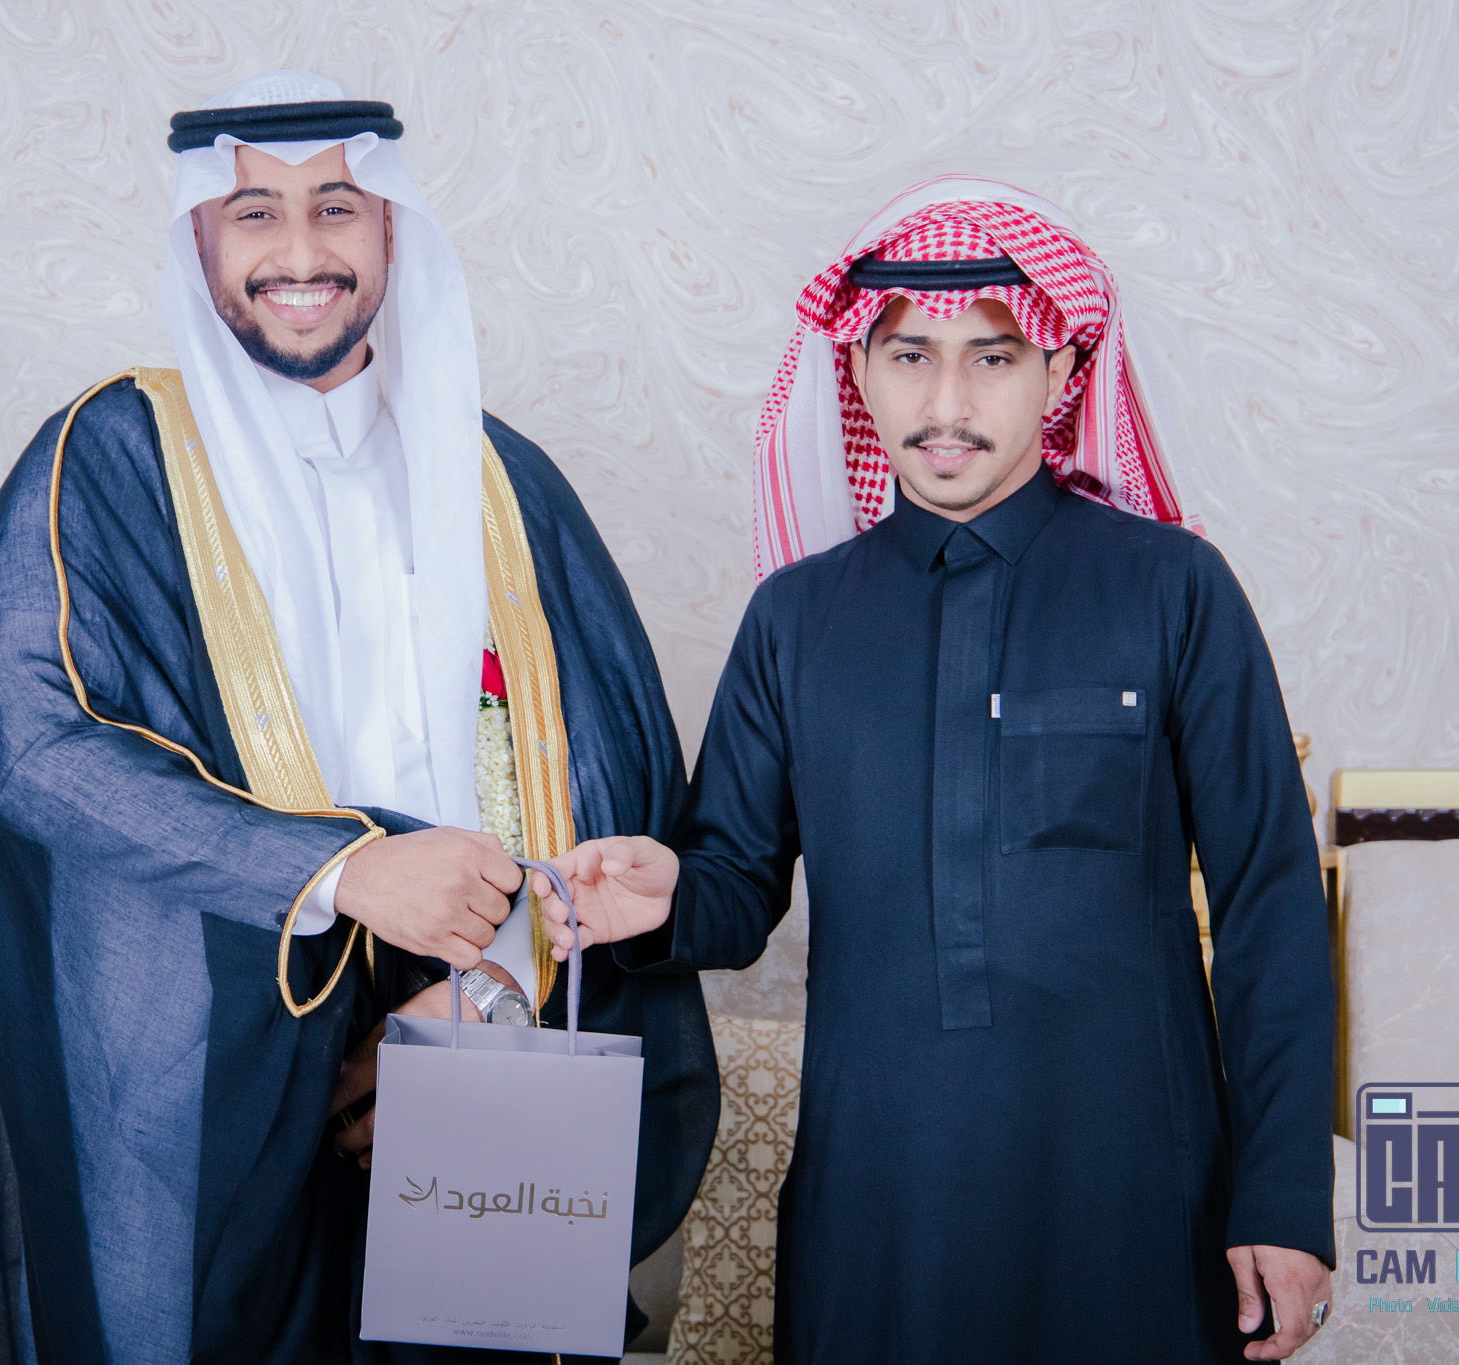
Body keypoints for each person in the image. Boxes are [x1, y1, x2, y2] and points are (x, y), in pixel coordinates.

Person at [0, 70, 715, 1365]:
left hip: (474, 1067)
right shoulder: (109, 462)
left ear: (392, 228)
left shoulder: (501, 481)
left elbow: (608, 780)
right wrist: (348, 873)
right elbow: (45, 754)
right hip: (211, 1081)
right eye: (255, 213)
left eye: (337, 209)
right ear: (200, 237)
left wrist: (487, 997)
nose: (299, 254)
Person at [537, 177, 1336, 1363]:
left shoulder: (1174, 589)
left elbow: (1269, 902)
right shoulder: (795, 620)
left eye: (992, 359)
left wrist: (1281, 1199)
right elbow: (734, 887)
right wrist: (662, 899)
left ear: (1059, 373)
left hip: (1134, 1196)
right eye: (909, 357)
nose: (946, 404)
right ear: (858, 372)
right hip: (877, 1202)